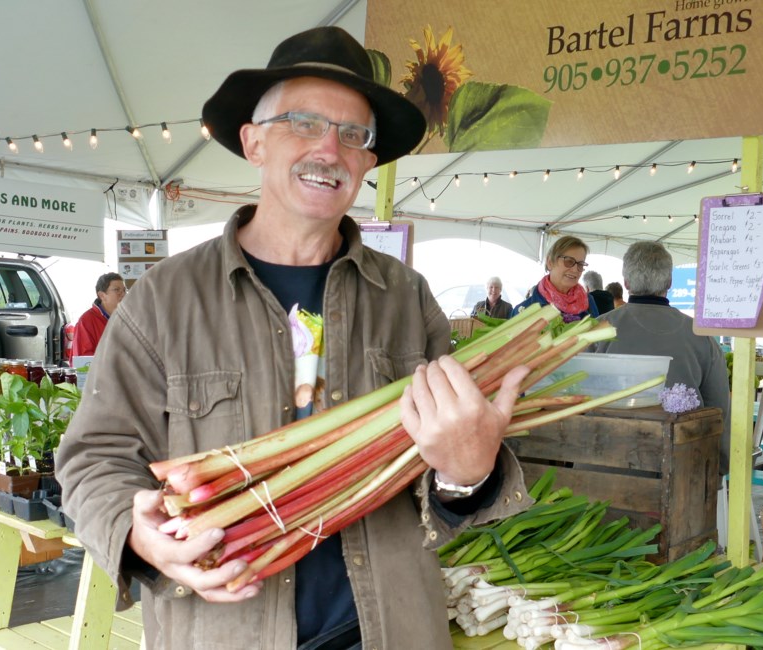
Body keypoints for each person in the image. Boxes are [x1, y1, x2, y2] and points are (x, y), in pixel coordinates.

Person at [55, 26, 532, 650]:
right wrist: (136, 532)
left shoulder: (407, 300)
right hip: (224, 630)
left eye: (354, 136)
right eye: (303, 124)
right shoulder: (163, 301)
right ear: (254, 142)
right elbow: (94, 458)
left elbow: (443, 487)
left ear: (367, 161)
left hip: (388, 630)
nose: (329, 150)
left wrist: (468, 475)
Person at [591, 241, 731, 473]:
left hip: (603, 468)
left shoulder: (596, 329)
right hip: (681, 469)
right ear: (669, 283)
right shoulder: (701, 335)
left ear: (625, 282)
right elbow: (719, 411)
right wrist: (720, 466)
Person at [511, 235, 599, 321]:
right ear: (550, 262)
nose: (575, 269)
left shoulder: (588, 302)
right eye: (569, 261)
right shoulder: (524, 311)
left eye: (580, 264)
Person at [71, 272, 126, 358]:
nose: (123, 294)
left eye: (124, 290)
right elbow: (83, 360)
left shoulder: (129, 318)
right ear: (102, 295)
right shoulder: (86, 321)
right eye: (117, 290)